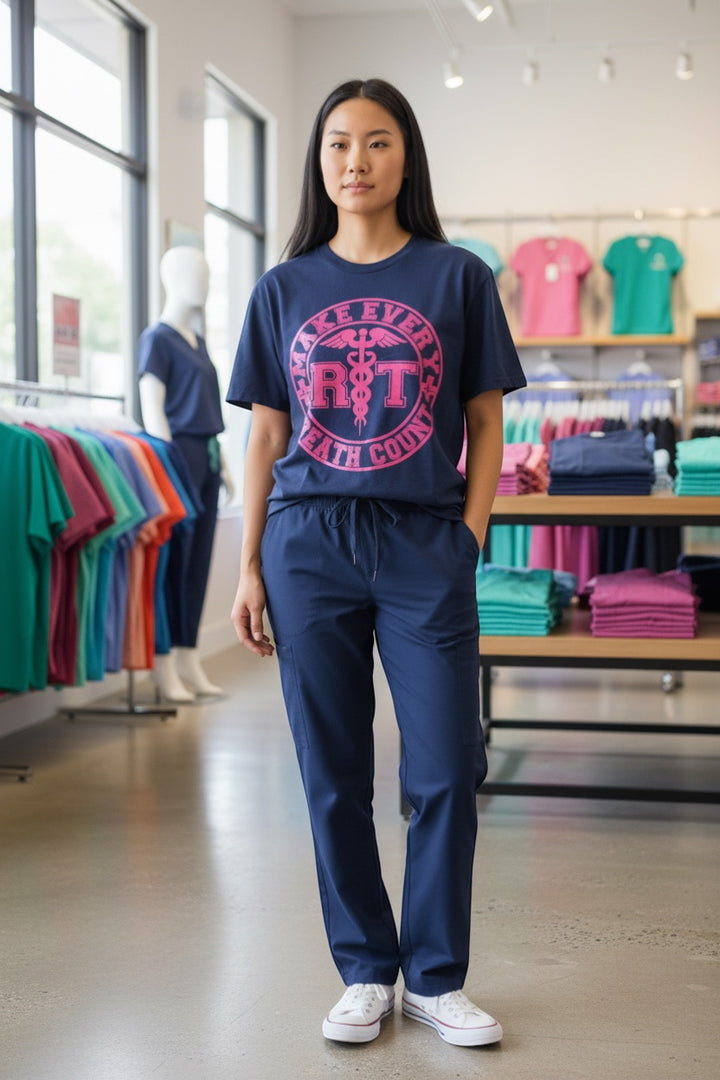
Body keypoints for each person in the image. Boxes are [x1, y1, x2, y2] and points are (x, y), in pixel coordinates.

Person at [228, 78, 525, 1047]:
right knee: (332, 771)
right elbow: (266, 436)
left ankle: (435, 977)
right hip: (307, 543)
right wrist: (249, 566)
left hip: (422, 542)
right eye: (338, 144)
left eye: (378, 142)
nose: (355, 161)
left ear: (407, 157)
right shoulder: (283, 288)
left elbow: (486, 421)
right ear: (319, 161)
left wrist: (468, 536)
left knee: (445, 764)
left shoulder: (458, 277)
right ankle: (364, 968)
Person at [138, 245, 230, 701]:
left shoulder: (198, 341)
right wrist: (168, 461)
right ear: (169, 278)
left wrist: (224, 465)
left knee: (199, 561)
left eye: (207, 274)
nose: (204, 283)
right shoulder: (157, 339)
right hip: (178, 457)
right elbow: (151, 405)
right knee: (173, 561)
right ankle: (163, 663)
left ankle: (189, 654)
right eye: (196, 273)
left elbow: (208, 408)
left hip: (208, 455)